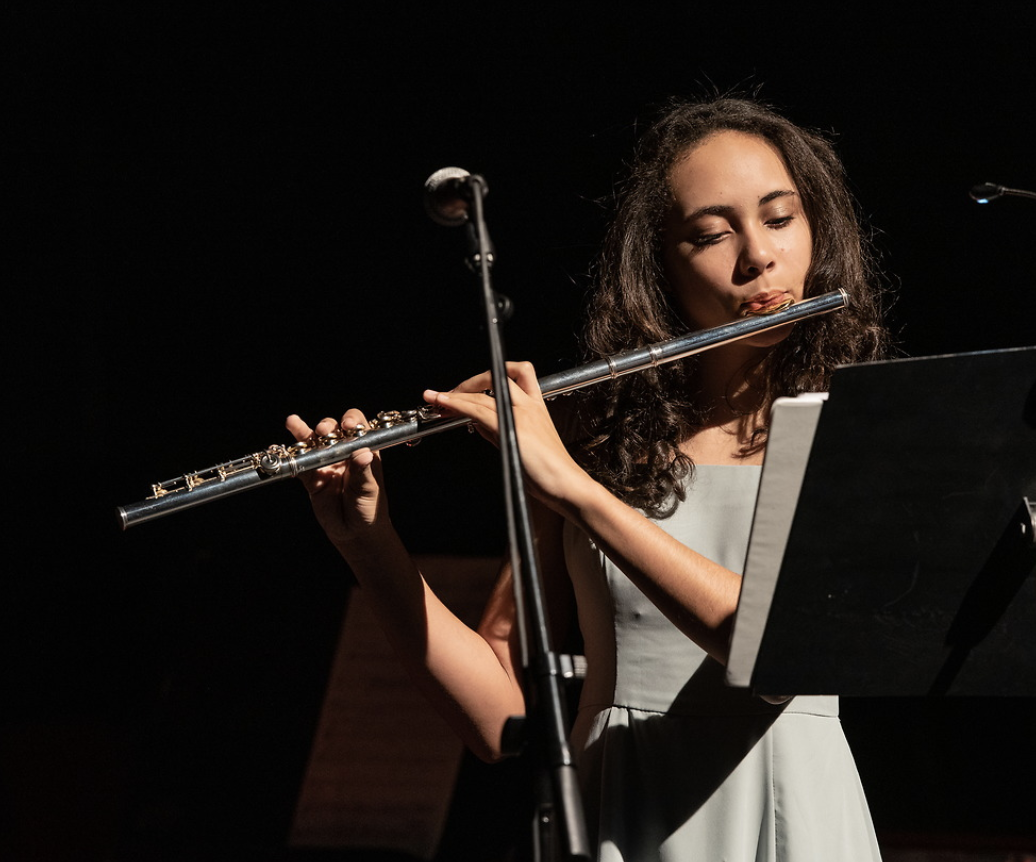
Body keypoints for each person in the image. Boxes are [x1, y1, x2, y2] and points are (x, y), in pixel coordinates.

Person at [287, 97, 889, 861]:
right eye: (710, 234)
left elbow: (771, 652)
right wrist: (370, 546)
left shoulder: (857, 427)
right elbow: (499, 713)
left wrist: (573, 489)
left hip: (796, 812)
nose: (758, 256)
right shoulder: (595, 436)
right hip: (620, 814)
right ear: (659, 268)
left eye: (779, 218)